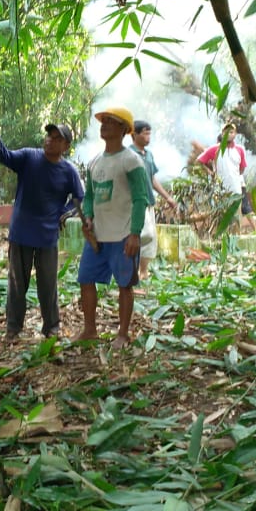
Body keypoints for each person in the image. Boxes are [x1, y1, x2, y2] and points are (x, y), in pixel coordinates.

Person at [0, 123, 84, 339]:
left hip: (47, 236)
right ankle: (13, 329)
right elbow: (7, 157)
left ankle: (52, 328)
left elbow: (79, 197)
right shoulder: (29, 157)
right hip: (21, 232)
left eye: (57, 138)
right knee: (17, 284)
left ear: (66, 146)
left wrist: (67, 212)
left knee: (48, 286)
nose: (50, 139)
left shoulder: (68, 171)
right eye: (49, 135)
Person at [78, 106, 149, 345]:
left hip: (122, 235)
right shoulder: (94, 162)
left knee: (124, 284)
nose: (104, 124)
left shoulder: (131, 161)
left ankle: (123, 334)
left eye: (110, 121)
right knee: (85, 280)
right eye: (103, 120)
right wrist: (88, 216)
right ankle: (90, 330)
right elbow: (89, 196)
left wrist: (135, 234)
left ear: (123, 129)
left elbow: (141, 198)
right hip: (98, 236)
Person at [129, 119, 178, 281]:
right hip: (133, 203)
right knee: (136, 236)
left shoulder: (148, 155)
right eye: (145, 133)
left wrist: (168, 197)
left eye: (149, 133)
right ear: (134, 135)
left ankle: (143, 272)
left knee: (150, 237)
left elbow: (152, 179)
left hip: (148, 201)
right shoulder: (128, 154)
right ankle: (131, 271)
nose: (148, 137)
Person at [196, 122, 256, 232]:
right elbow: (200, 161)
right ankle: (221, 243)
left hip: (236, 190)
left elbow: (242, 168)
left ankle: (235, 243)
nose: (229, 134)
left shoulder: (240, 150)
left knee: (236, 219)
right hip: (220, 191)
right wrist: (210, 173)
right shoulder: (214, 149)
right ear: (222, 133)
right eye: (226, 132)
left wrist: (235, 175)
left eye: (231, 132)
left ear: (235, 134)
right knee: (221, 219)